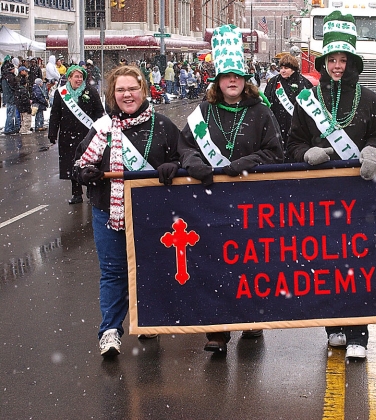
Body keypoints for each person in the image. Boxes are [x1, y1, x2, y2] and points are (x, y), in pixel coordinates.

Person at [287, 11, 376, 360]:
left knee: (359, 262)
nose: (338, 66)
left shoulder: (371, 100)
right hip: (321, 193)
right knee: (328, 261)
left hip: (360, 194)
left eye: (344, 59)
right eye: (332, 59)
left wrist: (374, 150)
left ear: (352, 62)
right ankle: (333, 326)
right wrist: (307, 153)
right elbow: (293, 144)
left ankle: (359, 332)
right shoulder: (308, 101)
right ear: (323, 62)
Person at [178, 24, 284, 355]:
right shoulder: (203, 113)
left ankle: (251, 319)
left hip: (252, 201)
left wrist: (248, 161)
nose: (232, 81)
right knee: (214, 263)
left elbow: (276, 152)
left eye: (237, 76)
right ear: (217, 81)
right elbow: (184, 145)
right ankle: (217, 331)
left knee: (250, 263)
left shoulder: (261, 112)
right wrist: (194, 161)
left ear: (245, 79)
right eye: (226, 76)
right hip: (211, 202)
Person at [73, 65, 182, 357]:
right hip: (107, 210)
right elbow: (79, 164)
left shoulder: (163, 126)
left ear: (143, 90)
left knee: (151, 268)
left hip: (153, 212)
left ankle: (147, 321)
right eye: (120, 90)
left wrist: (175, 166)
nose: (127, 95)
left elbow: (183, 158)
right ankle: (110, 331)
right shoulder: (101, 129)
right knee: (113, 271)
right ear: (112, 94)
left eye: (132, 88)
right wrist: (85, 174)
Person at [48, 65, 105, 204]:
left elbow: (99, 112)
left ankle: (91, 192)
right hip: (67, 136)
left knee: (89, 164)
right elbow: (55, 114)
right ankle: (76, 193)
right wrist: (52, 132)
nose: (79, 79)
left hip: (87, 135)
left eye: (81, 77)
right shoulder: (60, 93)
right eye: (76, 76)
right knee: (72, 164)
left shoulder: (90, 91)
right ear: (69, 78)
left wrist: (101, 130)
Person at [264, 53, 313, 161]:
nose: (282, 70)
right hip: (277, 125)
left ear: (293, 68)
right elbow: (267, 103)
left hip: (297, 127)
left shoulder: (304, 83)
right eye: (281, 68)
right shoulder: (273, 82)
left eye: (286, 68)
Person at [1, 59, 19, 135]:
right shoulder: (10, 77)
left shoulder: (3, 77)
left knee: (9, 113)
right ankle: (9, 128)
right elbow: (14, 87)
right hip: (11, 97)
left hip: (7, 97)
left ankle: (8, 127)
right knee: (11, 114)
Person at [15, 68, 32, 135]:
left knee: (22, 120)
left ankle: (22, 129)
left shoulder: (18, 90)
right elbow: (25, 100)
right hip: (25, 108)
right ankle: (25, 130)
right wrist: (28, 107)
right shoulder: (24, 91)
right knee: (27, 119)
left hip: (20, 108)